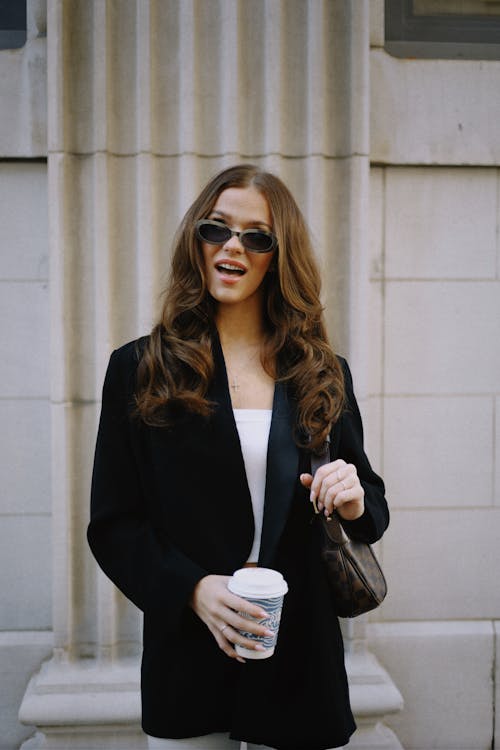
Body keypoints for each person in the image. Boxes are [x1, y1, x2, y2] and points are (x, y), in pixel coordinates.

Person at [87, 163, 389, 750]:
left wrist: (352, 498)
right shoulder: (140, 368)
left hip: (298, 650)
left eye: (258, 236)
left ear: (280, 256)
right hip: (190, 649)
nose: (234, 247)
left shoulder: (321, 372)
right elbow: (114, 524)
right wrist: (193, 589)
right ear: (195, 241)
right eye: (217, 229)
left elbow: (372, 509)